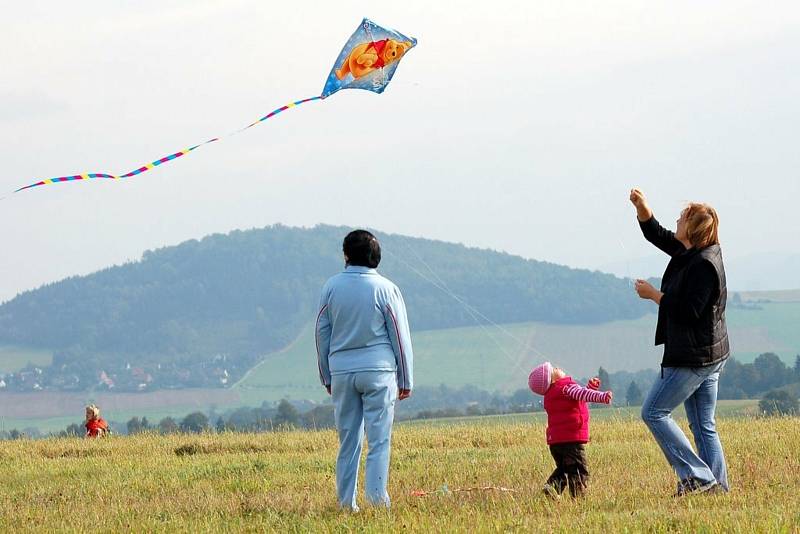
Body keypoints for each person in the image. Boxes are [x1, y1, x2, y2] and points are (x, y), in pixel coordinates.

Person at [629, 188, 729, 496]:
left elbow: (689, 312)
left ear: (693, 229)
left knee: (654, 413)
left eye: (682, 218)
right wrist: (642, 208)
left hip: (694, 358)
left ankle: (698, 478)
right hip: (709, 353)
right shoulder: (694, 252)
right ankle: (716, 488)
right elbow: (658, 235)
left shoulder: (703, 266)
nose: (677, 220)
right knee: (703, 423)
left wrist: (654, 296)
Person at [315, 230, 414, 511]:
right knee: (379, 440)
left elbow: (321, 332)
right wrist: (405, 378)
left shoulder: (330, 288)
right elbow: (399, 335)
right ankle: (377, 501)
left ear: (346, 255)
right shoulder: (386, 289)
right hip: (379, 371)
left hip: (342, 371)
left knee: (348, 441)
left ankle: (347, 504)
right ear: (376, 257)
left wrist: (326, 375)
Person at [528, 362, 612, 497]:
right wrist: (602, 397)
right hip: (571, 441)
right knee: (578, 470)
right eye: (554, 369)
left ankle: (551, 489)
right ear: (552, 378)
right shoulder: (566, 387)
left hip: (555, 443)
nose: (557, 368)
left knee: (564, 469)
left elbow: (576, 400)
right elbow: (581, 394)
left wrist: (590, 388)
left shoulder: (551, 395)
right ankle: (578, 499)